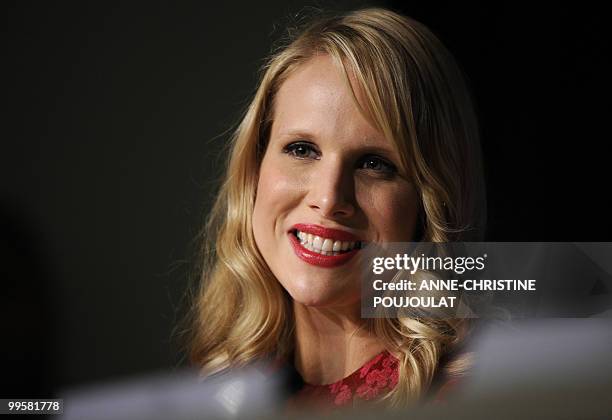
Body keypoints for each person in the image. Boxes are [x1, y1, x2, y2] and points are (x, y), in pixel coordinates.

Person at [186, 7, 486, 411]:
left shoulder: (473, 396)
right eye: (302, 149)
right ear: (254, 169)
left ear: (431, 198)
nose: (328, 199)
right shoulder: (222, 383)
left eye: (374, 164)